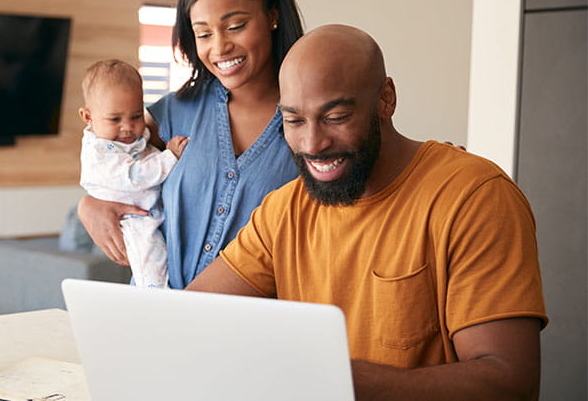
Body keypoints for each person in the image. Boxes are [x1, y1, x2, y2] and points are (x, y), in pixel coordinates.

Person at [188, 24, 547, 399]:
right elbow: (189, 318)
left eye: (336, 117)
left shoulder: (473, 196)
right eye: (293, 121)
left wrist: (327, 377)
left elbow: (510, 384)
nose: (312, 143)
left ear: (386, 100)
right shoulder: (284, 210)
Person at [78, 0, 304, 289]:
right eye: (203, 33)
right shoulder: (175, 111)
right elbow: (109, 159)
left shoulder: (310, 121)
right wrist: (89, 205)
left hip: (258, 326)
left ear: (273, 16)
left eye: (235, 26)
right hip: (165, 316)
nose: (220, 47)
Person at [78, 59, 189, 288]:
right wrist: (170, 157)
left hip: (146, 211)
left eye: (136, 116)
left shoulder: (124, 139)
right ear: (88, 116)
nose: (127, 127)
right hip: (131, 220)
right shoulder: (99, 152)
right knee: (151, 262)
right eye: (115, 119)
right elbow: (136, 176)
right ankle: (154, 296)